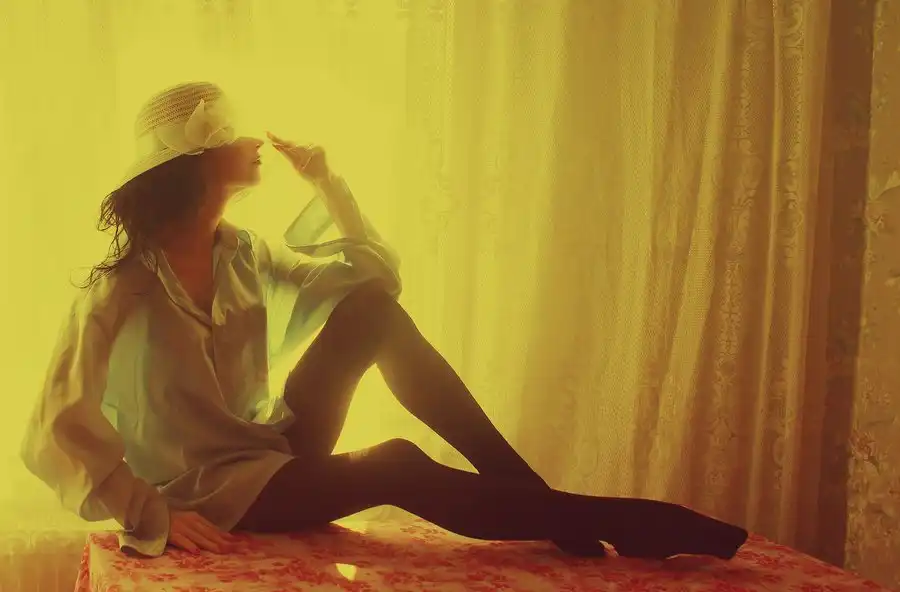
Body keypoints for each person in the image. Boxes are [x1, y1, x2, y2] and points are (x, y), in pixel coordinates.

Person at [19, 81, 748, 560]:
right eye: (236, 134)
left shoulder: (244, 253)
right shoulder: (118, 293)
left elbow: (371, 282)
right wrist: (149, 511)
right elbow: (52, 427)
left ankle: (534, 495)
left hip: (269, 449)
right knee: (394, 461)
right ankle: (617, 521)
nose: (255, 143)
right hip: (212, 493)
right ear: (198, 162)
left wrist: (328, 185)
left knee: (372, 311)